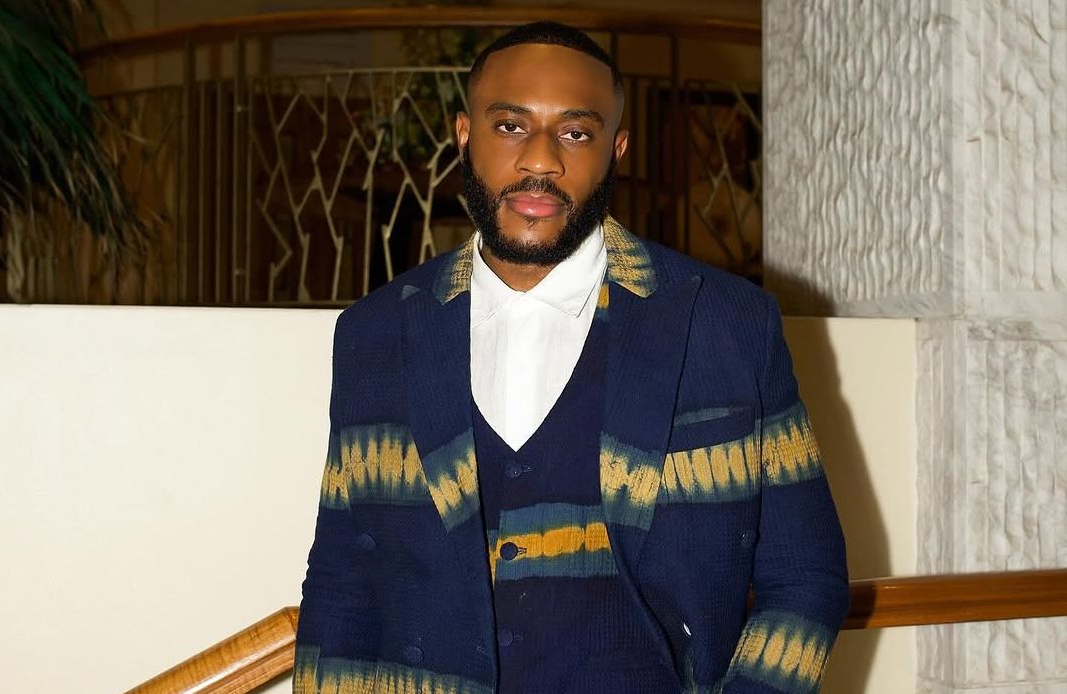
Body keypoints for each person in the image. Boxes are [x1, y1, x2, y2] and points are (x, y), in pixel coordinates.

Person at [294, 22, 849, 694]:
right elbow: (342, 584)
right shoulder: (375, 332)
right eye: (510, 126)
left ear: (616, 149)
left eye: (576, 133)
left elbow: (805, 575)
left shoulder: (726, 324)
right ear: (464, 136)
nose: (541, 160)